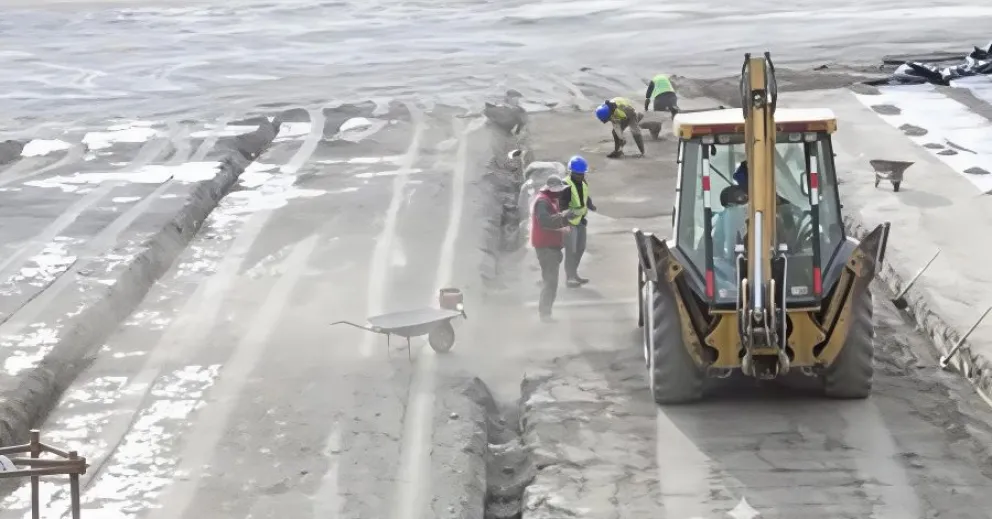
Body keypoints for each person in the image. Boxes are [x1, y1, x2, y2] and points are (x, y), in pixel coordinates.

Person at [531, 175, 575, 322]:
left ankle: (546, 313)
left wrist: (562, 217)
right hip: (546, 247)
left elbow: (551, 219)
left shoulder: (548, 200)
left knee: (550, 281)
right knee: (550, 282)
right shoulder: (543, 202)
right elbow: (545, 222)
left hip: (550, 247)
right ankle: (545, 314)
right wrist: (561, 227)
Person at [559, 155, 596, 288]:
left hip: (580, 221)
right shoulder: (565, 185)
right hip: (569, 223)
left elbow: (585, 196)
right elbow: (561, 205)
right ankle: (570, 278)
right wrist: (568, 215)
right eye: (578, 174)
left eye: (582, 174)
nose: (581, 176)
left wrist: (590, 205)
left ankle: (574, 274)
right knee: (571, 250)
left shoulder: (583, 182)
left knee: (580, 248)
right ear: (571, 172)